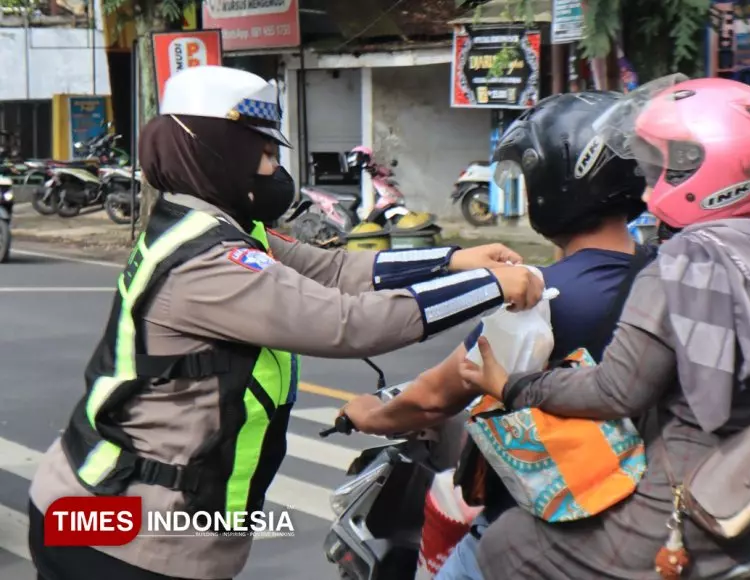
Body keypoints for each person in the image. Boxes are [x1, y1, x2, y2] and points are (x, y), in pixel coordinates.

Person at [26, 65, 544, 580]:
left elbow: (333, 268)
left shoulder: (211, 226)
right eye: (267, 155)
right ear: (218, 153)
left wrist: (452, 262)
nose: (276, 172)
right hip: (122, 536)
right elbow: (345, 323)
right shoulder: (208, 262)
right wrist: (489, 288)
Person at [458, 76, 750, 579]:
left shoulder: (682, 266)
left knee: (507, 542)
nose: (651, 188)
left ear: (715, 173)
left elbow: (615, 392)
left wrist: (513, 386)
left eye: (667, 169)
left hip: (703, 514)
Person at [341, 91, 653, 579]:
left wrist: (370, 414)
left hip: (546, 530)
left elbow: (435, 397)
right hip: (641, 523)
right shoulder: (667, 275)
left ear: (557, 182)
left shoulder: (539, 297)